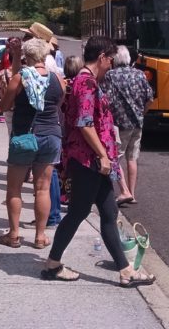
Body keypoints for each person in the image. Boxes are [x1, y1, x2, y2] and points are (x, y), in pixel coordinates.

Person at [41, 36, 155, 288]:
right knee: (77, 213)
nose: (112, 64)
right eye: (110, 59)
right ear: (102, 57)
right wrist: (103, 156)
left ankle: (126, 271)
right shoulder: (86, 83)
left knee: (108, 212)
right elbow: (84, 122)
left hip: (92, 160)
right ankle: (52, 264)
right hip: (88, 160)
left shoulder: (87, 81)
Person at [0, 38, 66, 251]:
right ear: (45, 55)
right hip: (51, 136)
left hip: (25, 136)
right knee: (42, 188)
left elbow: (5, 106)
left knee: (14, 188)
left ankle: (14, 234)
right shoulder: (58, 79)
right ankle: (40, 236)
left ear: (27, 55)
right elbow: (58, 105)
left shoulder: (20, 78)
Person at [101, 45, 154, 205]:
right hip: (137, 122)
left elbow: (105, 98)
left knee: (115, 157)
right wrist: (142, 112)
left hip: (119, 123)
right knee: (132, 158)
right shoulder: (139, 75)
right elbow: (150, 98)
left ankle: (124, 191)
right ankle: (132, 193)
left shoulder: (110, 75)